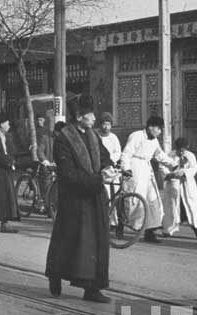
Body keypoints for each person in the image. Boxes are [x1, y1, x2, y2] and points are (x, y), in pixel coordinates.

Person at [45, 95, 112, 303]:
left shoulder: (93, 135)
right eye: (89, 114)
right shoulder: (63, 139)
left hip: (94, 196)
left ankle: (92, 289)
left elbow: (104, 155)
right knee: (69, 241)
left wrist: (110, 167)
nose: (94, 118)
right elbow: (68, 174)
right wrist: (97, 179)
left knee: (96, 243)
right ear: (78, 116)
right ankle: (55, 274)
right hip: (74, 199)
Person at [119, 116, 169, 243]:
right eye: (158, 128)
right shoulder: (136, 136)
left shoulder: (154, 141)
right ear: (150, 127)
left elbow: (160, 155)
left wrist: (173, 164)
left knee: (153, 201)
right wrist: (126, 168)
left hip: (147, 170)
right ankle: (124, 224)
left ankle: (150, 232)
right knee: (136, 199)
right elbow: (126, 153)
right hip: (135, 168)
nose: (160, 132)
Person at [159, 138, 197, 239]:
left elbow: (194, 168)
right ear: (176, 148)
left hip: (187, 186)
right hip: (174, 186)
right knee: (172, 208)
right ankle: (168, 230)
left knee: (191, 207)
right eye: (179, 150)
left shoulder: (190, 156)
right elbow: (162, 167)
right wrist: (170, 175)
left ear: (186, 148)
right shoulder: (170, 155)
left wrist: (184, 172)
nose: (181, 152)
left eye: (183, 150)